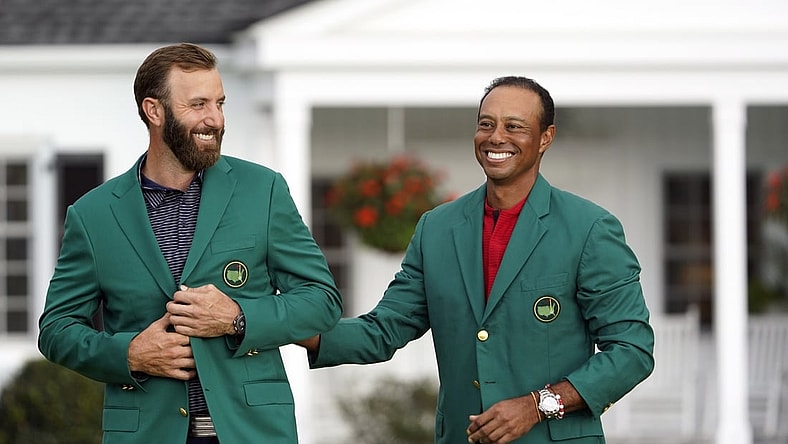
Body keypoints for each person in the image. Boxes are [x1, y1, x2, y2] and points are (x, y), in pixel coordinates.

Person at [298, 76, 654, 444]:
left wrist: (537, 405)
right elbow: (382, 330)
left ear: (546, 137)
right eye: (486, 124)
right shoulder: (436, 229)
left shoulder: (589, 229)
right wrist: (278, 323)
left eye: (514, 126)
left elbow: (632, 350)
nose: (496, 137)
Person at [38, 43, 343, 444]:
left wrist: (238, 317)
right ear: (154, 111)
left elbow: (322, 301)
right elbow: (56, 329)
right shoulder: (93, 215)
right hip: (146, 433)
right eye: (198, 104)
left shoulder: (262, 190)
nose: (215, 119)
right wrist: (128, 354)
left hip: (253, 433)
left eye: (220, 103)